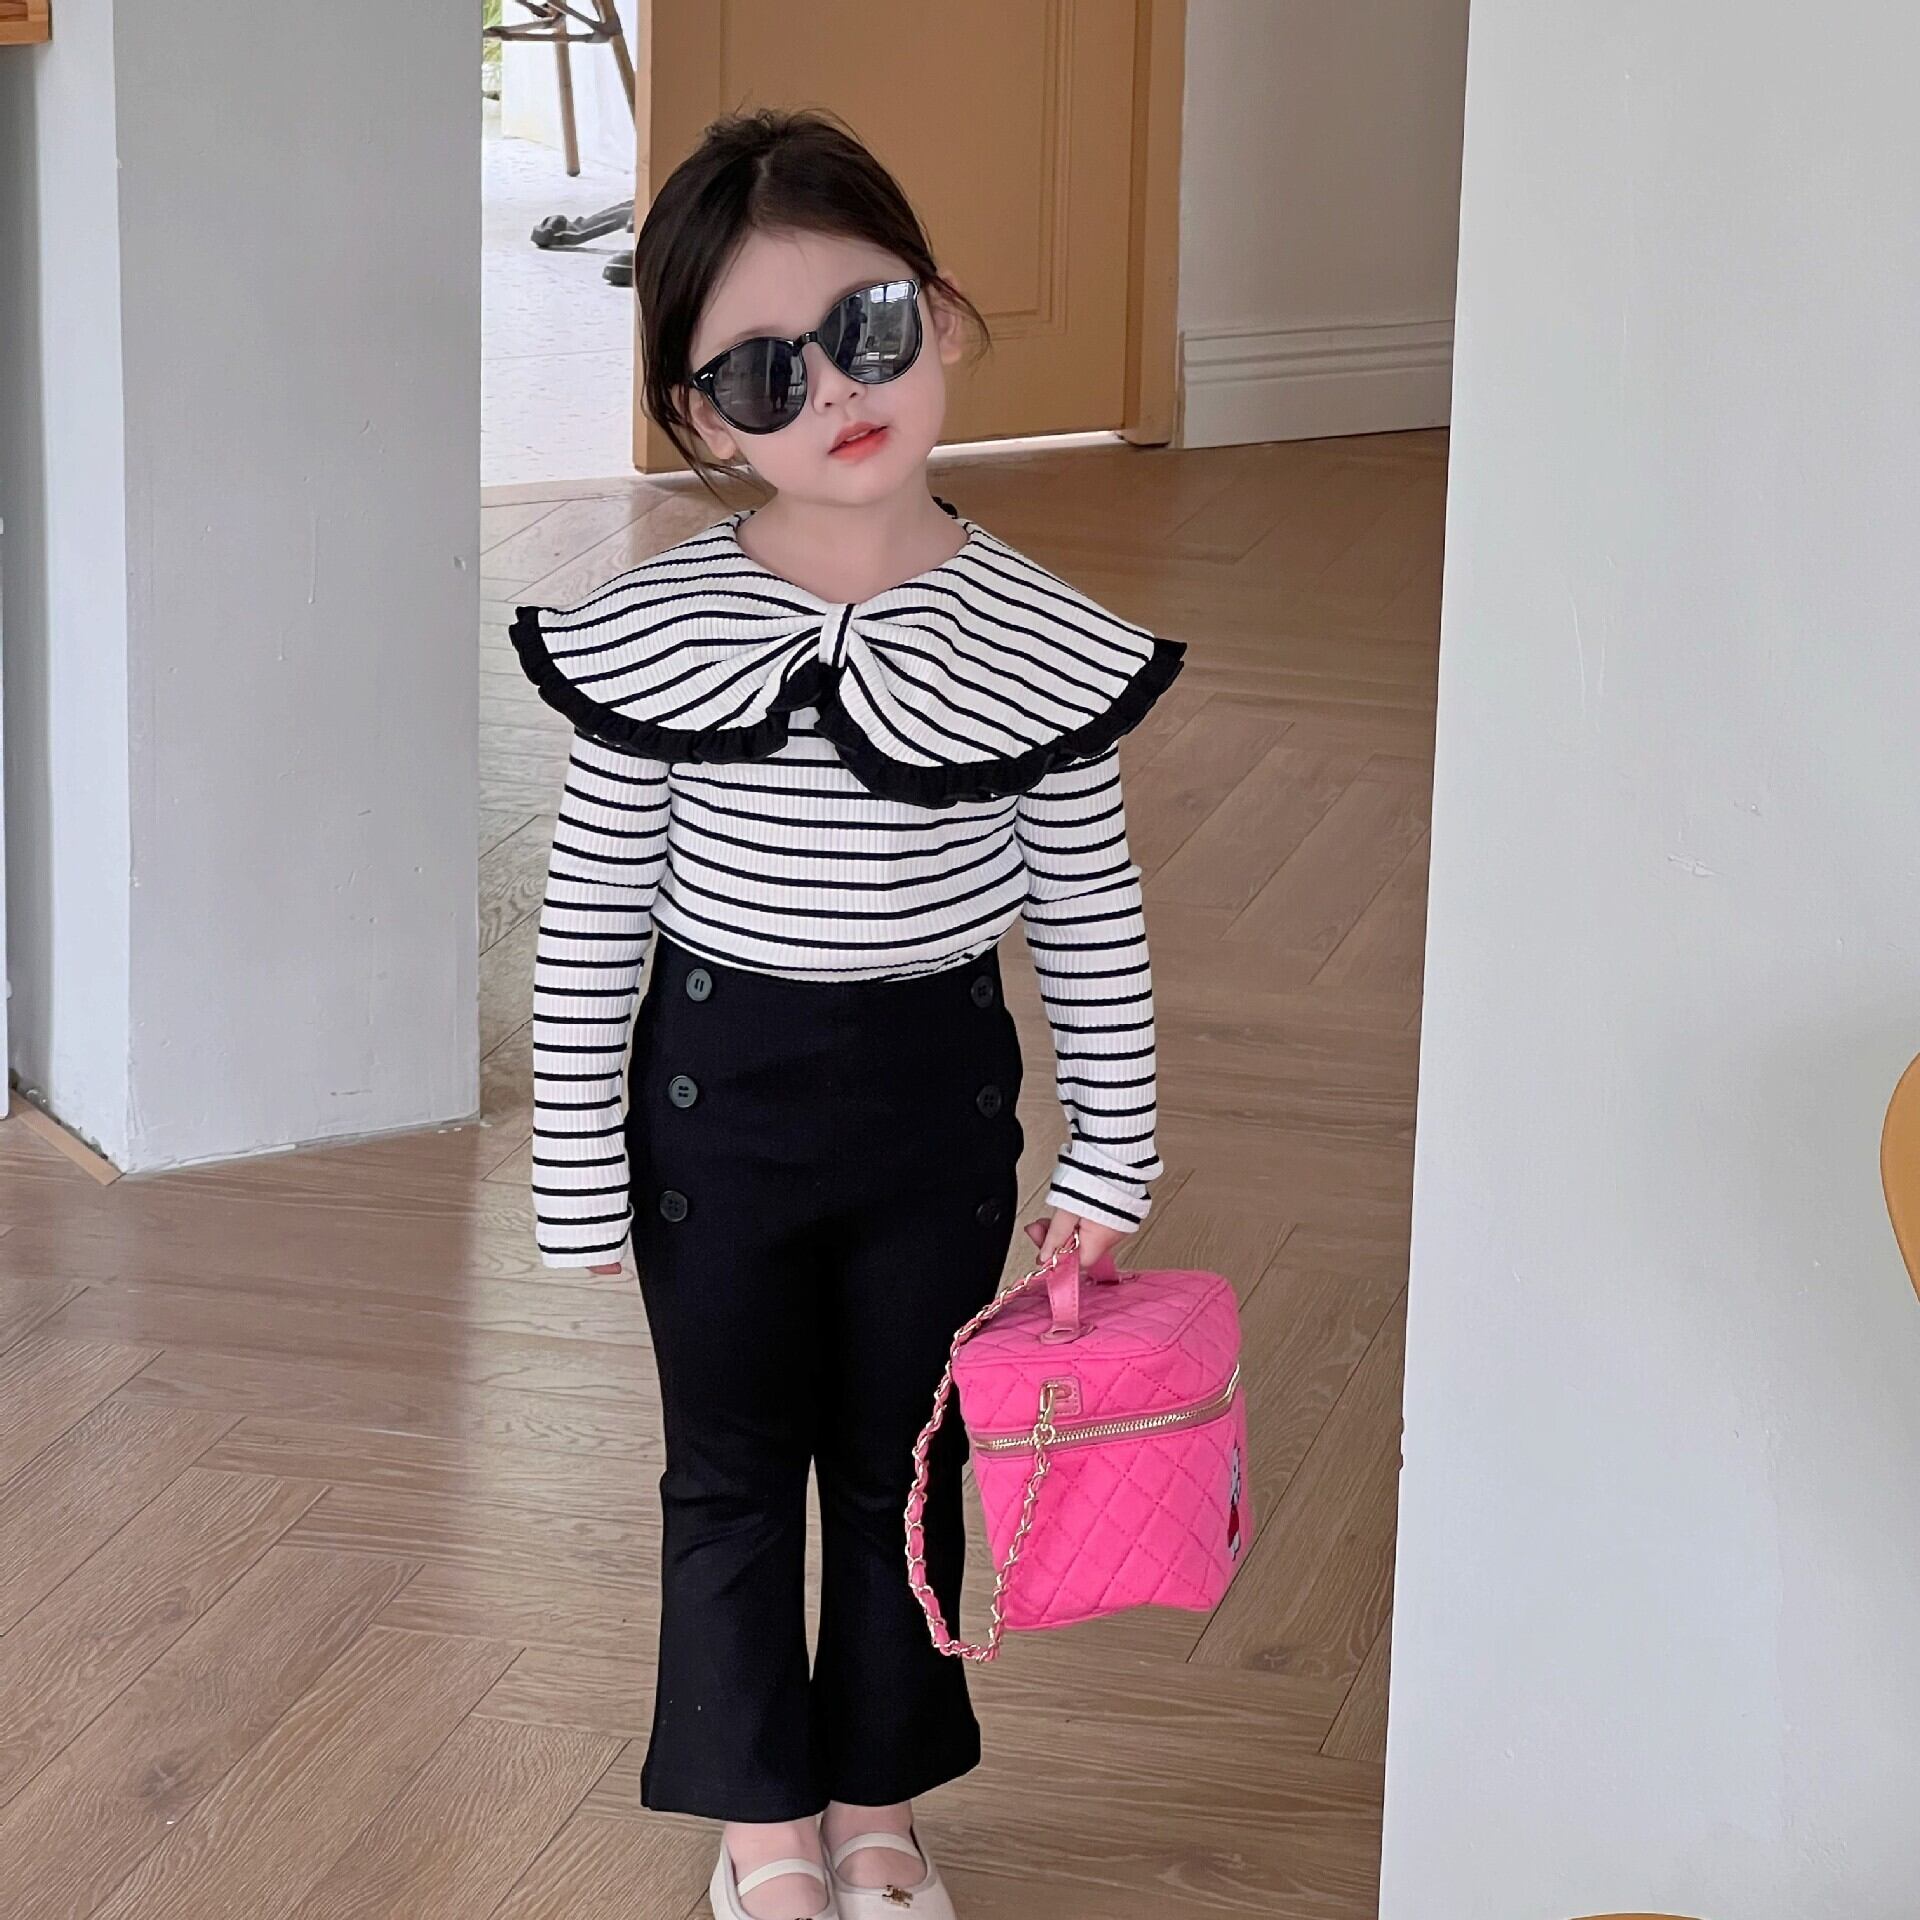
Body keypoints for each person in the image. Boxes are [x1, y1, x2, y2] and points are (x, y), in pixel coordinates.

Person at [510, 108, 1183, 1920]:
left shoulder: (1045, 642)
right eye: (763, 372)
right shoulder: (654, 634)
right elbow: (593, 922)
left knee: (906, 1467)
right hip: (712, 1120)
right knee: (729, 1473)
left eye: (866, 328)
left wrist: (1111, 1160)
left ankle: (878, 1809)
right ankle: (763, 1833)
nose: (834, 392)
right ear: (703, 418)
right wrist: (575, 1168)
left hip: (933, 1120)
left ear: (940, 313)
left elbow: (1091, 922)